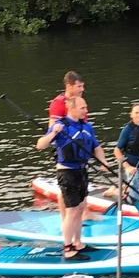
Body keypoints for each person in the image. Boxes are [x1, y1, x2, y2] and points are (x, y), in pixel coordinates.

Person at [35, 96, 109, 260]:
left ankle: (78, 243)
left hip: (82, 171)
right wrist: (53, 133)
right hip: (67, 173)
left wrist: (103, 162)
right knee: (72, 211)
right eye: (83, 108)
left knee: (81, 207)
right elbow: (40, 145)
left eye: (86, 107)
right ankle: (68, 248)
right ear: (72, 108)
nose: (86, 110)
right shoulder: (61, 126)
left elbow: (97, 147)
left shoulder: (87, 126)